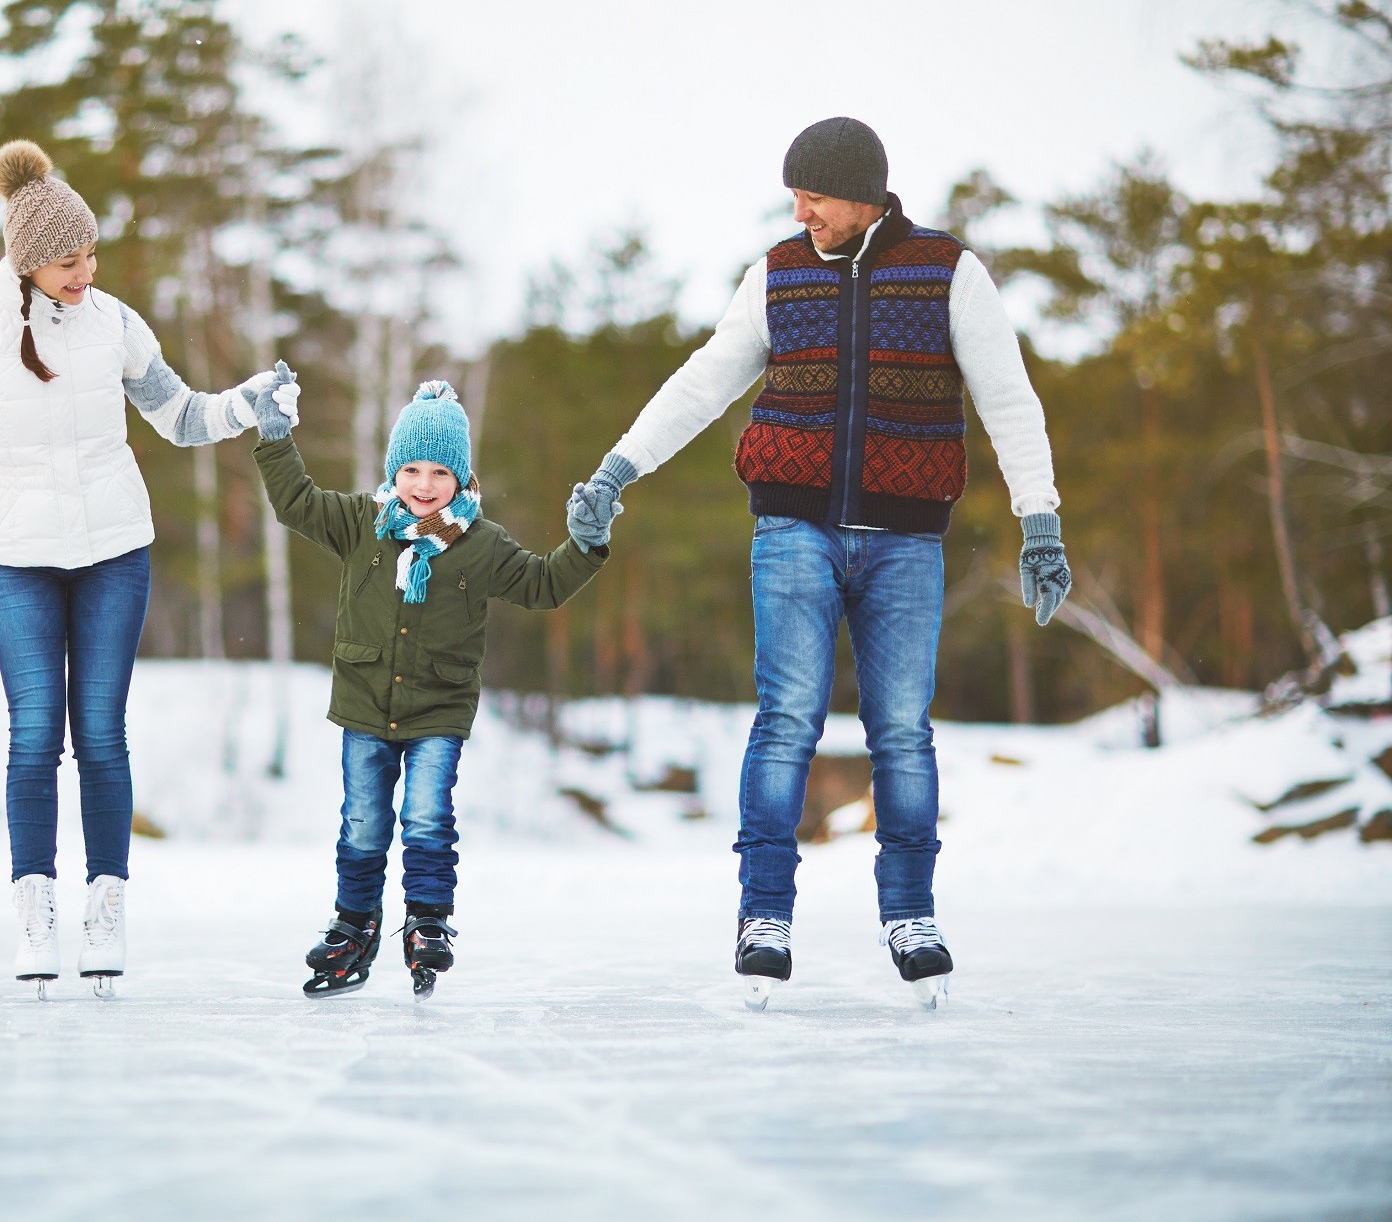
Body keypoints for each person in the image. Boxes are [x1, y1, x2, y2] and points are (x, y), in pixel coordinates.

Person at [564, 117, 1074, 1009]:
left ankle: (910, 911)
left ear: (865, 192)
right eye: (794, 194)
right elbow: (703, 379)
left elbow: (1008, 397)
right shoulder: (778, 271)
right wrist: (617, 469)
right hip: (792, 529)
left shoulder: (949, 274)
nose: (802, 210)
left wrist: (1041, 522)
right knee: (786, 719)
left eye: (817, 195)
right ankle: (764, 913)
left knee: (902, 731)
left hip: (906, 540)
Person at [0, 140, 300, 998]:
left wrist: (249, 402)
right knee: (32, 738)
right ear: (27, 260)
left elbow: (181, 418)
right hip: (18, 563)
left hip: (112, 555)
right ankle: (34, 912)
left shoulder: (117, 325)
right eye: (67, 259)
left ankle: (105, 906)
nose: (85, 270)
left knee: (100, 733)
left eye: (90, 253)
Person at [251, 379, 608, 1000]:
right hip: (364, 706)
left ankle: (427, 922)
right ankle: (354, 925)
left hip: (439, 710)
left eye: (440, 471)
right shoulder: (363, 524)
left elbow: (545, 585)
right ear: (394, 471)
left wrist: (588, 542)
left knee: (425, 819)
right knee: (362, 824)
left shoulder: (482, 545)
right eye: (411, 468)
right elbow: (295, 503)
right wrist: (276, 440)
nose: (423, 484)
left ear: (462, 478)